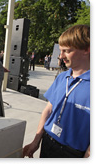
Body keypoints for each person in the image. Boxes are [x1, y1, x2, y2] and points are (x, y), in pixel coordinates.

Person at [23, 25, 90, 158]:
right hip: (48, 142)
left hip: (72, 154)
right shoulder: (61, 77)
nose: (61, 56)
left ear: (87, 49)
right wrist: (36, 141)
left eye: (66, 51)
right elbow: (48, 110)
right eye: (60, 51)